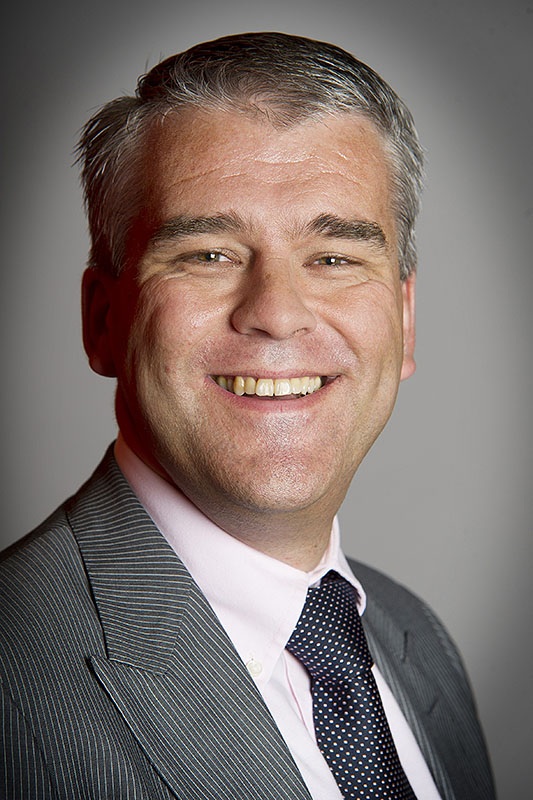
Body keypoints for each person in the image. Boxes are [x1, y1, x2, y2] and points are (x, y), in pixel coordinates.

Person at [0, 32, 495, 800]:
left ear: (403, 321)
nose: (276, 313)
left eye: (333, 258)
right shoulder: (14, 671)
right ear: (103, 320)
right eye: (208, 254)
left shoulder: (417, 638)